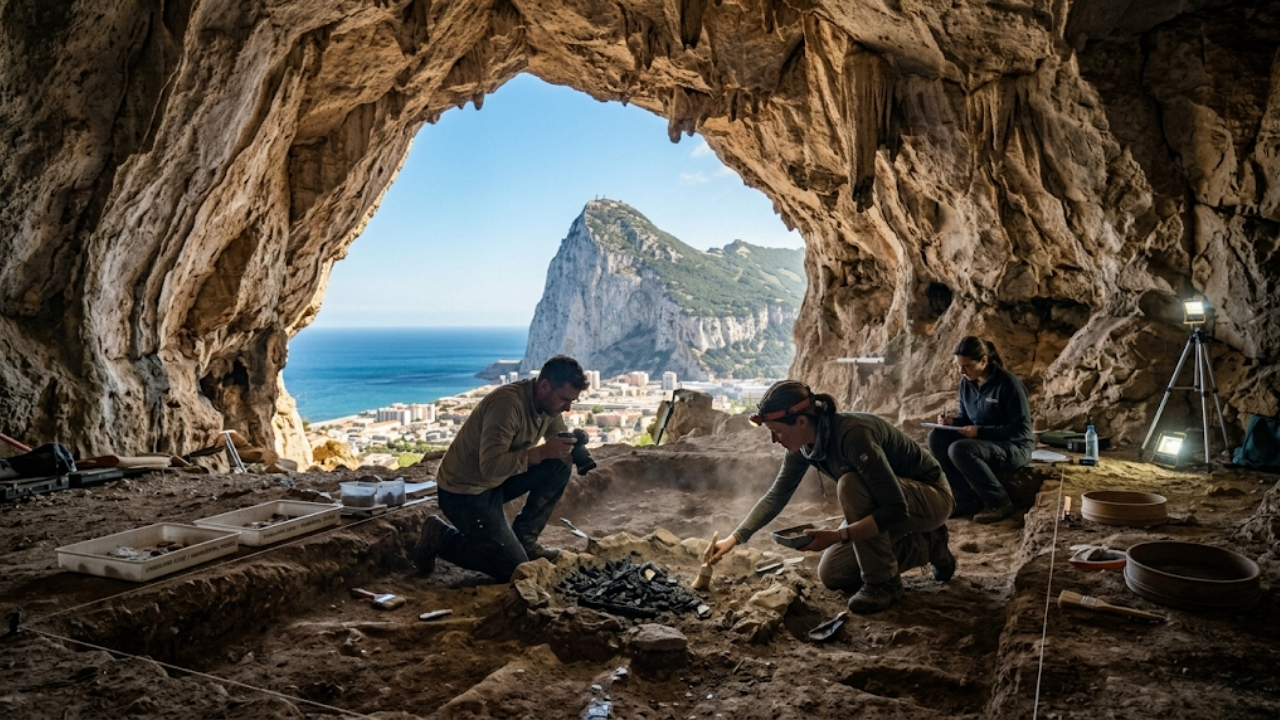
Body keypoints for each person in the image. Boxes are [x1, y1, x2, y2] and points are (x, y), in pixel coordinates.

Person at [705, 381, 955, 614]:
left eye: (777, 431)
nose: (774, 439)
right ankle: (929, 545)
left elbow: (896, 508)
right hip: (888, 505)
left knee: (850, 484)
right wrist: (734, 538)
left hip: (931, 497)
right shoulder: (804, 446)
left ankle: (884, 584)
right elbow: (776, 496)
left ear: (801, 421)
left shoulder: (853, 434)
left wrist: (839, 536)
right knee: (834, 574)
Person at [412, 355, 588, 582]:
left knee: (559, 464)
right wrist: (542, 452)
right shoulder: (507, 405)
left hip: (496, 483)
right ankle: (439, 537)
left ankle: (525, 541)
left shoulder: (547, 409)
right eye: (564, 399)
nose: (568, 408)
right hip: (464, 493)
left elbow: (554, 442)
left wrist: (571, 446)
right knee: (512, 568)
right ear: (544, 386)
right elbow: (490, 466)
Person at [927, 336, 1035, 524]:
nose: (961, 371)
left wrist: (980, 432)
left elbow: (1021, 430)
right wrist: (951, 421)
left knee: (960, 449)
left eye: (966, 366)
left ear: (983, 361)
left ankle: (999, 502)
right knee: (936, 437)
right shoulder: (967, 383)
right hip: (983, 442)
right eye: (958, 366)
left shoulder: (1008, 385)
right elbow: (966, 419)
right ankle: (964, 498)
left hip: (1014, 446)